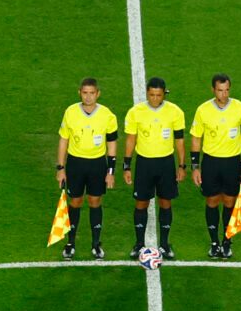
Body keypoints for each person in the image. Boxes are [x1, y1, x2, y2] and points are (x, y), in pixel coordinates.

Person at [120, 76, 188, 258]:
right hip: (144, 164)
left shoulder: (175, 112)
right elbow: (130, 140)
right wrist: (126, 166)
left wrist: (182, 165)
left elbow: (180, 141)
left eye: (158, 95)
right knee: (141, 202)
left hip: (166, 163)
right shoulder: (135, 112)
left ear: (164, 94)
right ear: (147, 94)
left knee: (165, 202)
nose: (155, 99)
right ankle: (139, 244)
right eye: (151, 95)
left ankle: (165, 244)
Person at [189, 73, 241, 259]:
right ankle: (214, 242)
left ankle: (227, 241)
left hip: (232, 162)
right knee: (212, 201)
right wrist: (195, 166)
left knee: (229, 202)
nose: (224, 95)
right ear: (213, 90)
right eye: (220, 90)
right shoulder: (202, 110)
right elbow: (196, 139)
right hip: (211, 162)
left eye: (226, 90)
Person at [55, 77, 118, 260]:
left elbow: (112, 143)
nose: (88, 97)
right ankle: (70, 243)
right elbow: (63, 141)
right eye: (85, 93)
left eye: (92, 93)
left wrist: (111, 171)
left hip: (97, 164)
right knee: (74, 202)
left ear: (98, 94)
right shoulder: (71, 112)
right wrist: (60, 167)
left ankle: (96, 244)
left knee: (95, 201)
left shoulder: (107, 115)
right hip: (75, 164)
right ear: (79, 93)